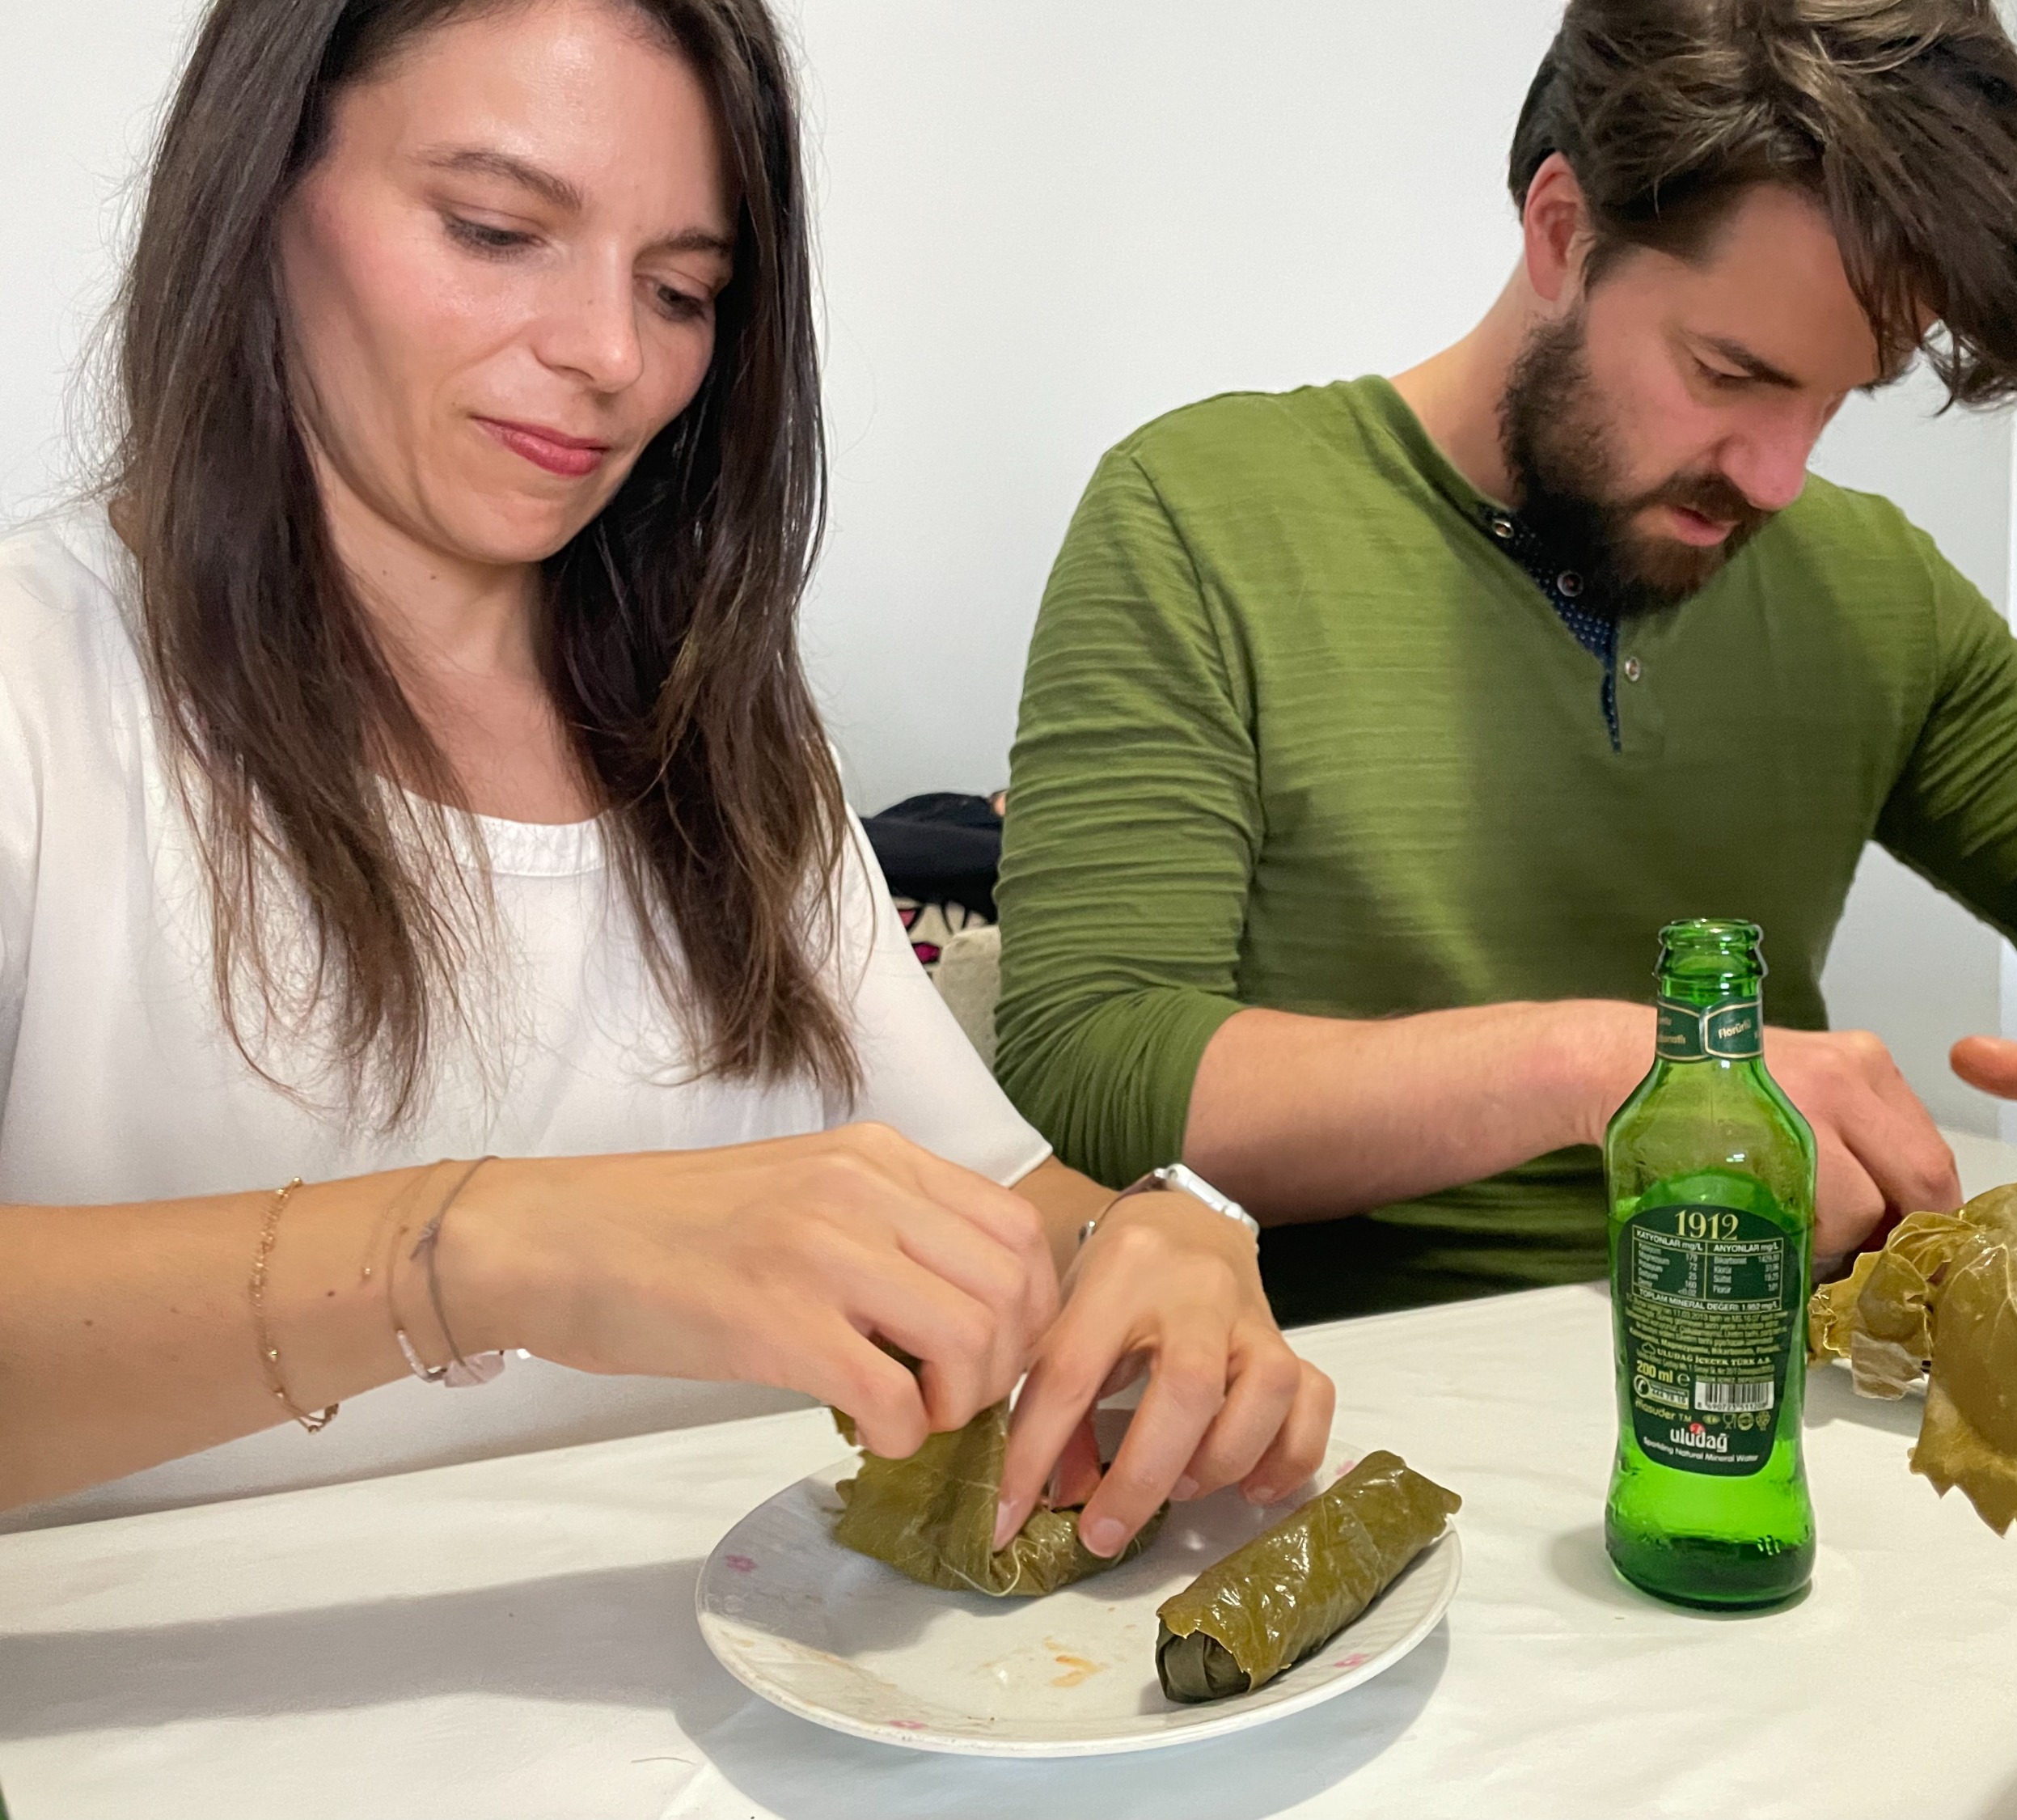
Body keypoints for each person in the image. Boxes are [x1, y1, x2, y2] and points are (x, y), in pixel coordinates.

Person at [0, 0, 1330, 1569]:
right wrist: (490, 1249)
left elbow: (994, 1196)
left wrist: (1155, 1239)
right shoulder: (43, 694)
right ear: (259, 191)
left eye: (683, 290)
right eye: (498, 231)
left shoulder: (715, 726)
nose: (612, 357)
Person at [992, 0, 2017, 1327]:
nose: (1780, 472)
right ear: (1562, 230)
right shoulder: (1201, 514)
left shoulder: (1873, 586)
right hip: (1342, 1404)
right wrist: (1621, 1064)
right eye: (1729, 372)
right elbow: (1092, 1059)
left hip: (1778, 1391)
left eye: (1836, 398)